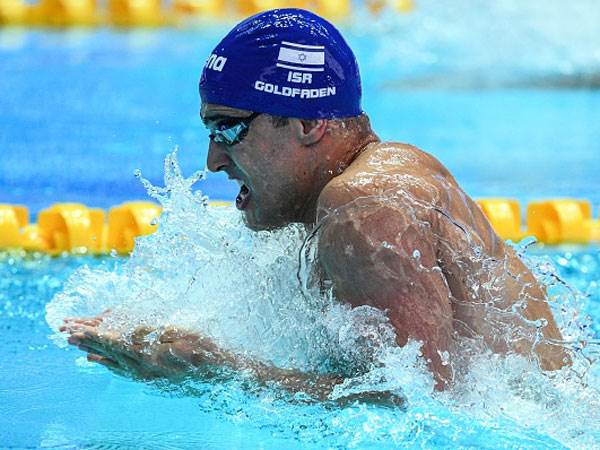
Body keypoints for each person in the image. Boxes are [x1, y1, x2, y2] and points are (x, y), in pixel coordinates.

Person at [62, 8, 568, 395]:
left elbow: (422, 408)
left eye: (228, 129)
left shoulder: (363, 207)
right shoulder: (365, 182)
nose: (213, 160)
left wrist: (218, 372)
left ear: (307, 124)